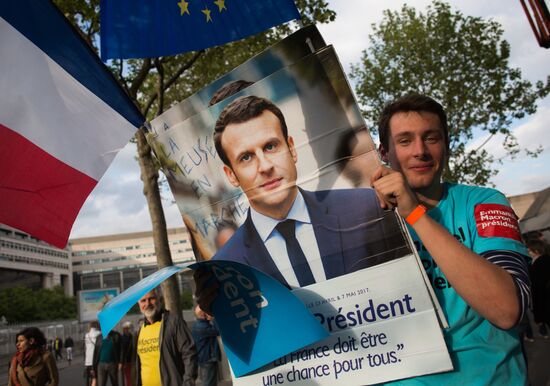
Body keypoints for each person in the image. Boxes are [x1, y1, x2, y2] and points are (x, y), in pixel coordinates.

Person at [370, 94, 531, 384]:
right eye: (405, 141)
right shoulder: (361, 218)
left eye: (431, 138)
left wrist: (415, 215)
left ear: (447, 145)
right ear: (385, 152)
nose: (420, 151)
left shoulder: (484, 202)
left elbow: (508, 310)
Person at [210, 95, 405, 288]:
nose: (265, 166)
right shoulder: (225, 267)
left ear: (292, 149)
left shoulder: (367, 207)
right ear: (232, 175)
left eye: (270, 147)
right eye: (246, 157)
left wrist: (412, 209)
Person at [135, 288, 197, 386]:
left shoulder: (174, 322)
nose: (148, 303)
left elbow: (189, 353)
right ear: (139, 304)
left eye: (151, 299)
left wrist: (188, 383)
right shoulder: (140, 330)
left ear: (159, 299)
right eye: (143, 300)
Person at [526, 238, 550, 338]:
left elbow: (537, 291)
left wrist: (538, 316)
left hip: (545, 304)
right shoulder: (546, 260)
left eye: (529, 250)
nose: (528, 252)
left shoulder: (537, 266)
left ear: (536, 251)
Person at [192, 306, 221, 386]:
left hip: (204, 359)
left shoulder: (198, 325)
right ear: (204, 314)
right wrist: (213, 318)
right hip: (208, 359)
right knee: (209, 383)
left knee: (208, 382)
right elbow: (218, 330)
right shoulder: (202, 327)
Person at [84, 321, 102, 386]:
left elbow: (86, 348)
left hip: (87, 361)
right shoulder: (100, 334)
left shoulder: (87, 335)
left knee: (89, 378)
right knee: (95, 378)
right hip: (96, 360)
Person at [119, 322, 135, 386]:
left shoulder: (133, 337)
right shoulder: (122, 338)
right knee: (127, 377)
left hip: (131, 361)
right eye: (125, 329)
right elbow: (121, 351)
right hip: (126, 361)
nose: (127, 330)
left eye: (128, 328)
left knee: (131, 377)